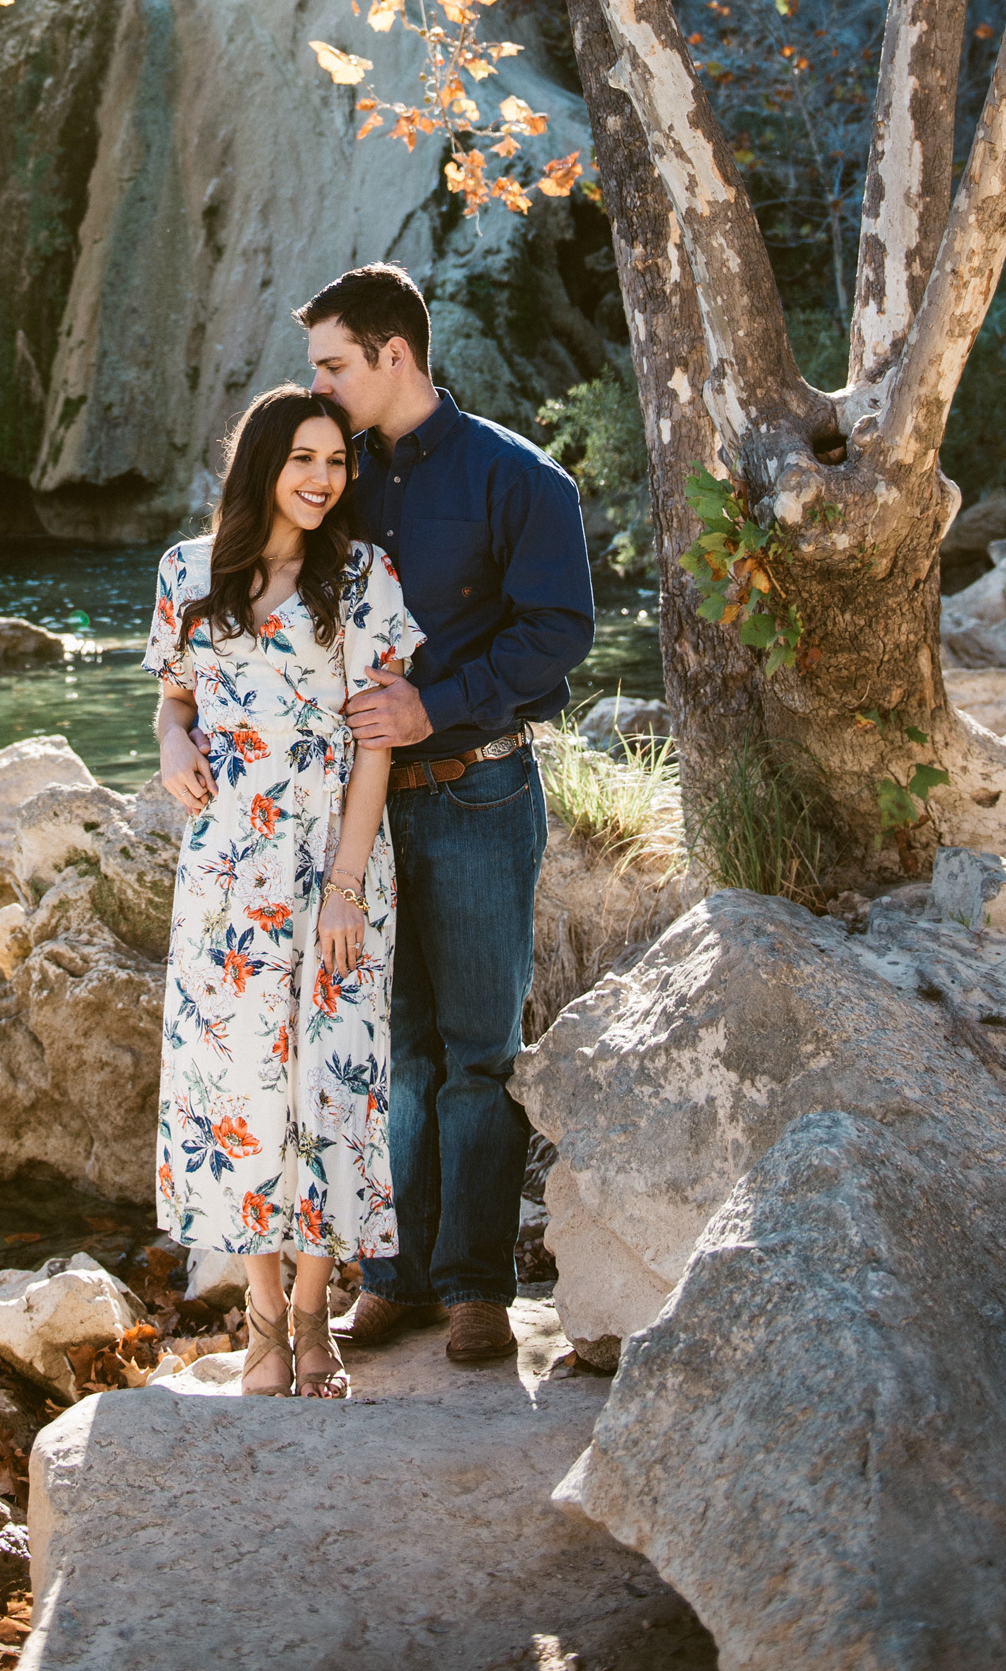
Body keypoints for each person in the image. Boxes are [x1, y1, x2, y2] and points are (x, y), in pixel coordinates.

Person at [298, 262, 595, 1367]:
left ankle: (477, 1288)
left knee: (478, 1050)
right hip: (360, 814)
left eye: (332, 364)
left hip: (478, 788)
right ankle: (395, 1279)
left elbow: (558, 631)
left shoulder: (518, 479)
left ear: (393, 356)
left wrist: (435, 705)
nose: (318, 386)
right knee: (389, 1050)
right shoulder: (332, 477)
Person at [148, 384, 424, 1399]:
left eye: (335, 463)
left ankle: (318, 1318)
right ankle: (263, 1324)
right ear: (261, 463)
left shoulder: (360, 578)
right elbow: (172, 704)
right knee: (241, 1087)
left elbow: (374, 747)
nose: (320, 479)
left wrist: (347, 886)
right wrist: (174, 745)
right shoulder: (187, 573)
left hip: (333, 866)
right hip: (223, 876)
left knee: (334, 1083)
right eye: (303, 459)